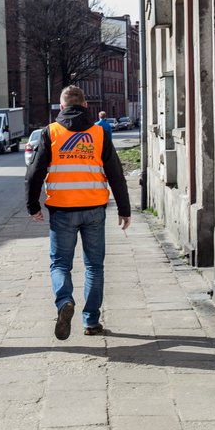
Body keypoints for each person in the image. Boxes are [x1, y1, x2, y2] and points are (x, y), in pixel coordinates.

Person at [26, 86, 131, 339]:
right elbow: (116, 173)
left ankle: (64, 302)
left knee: (60, 263)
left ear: (61, 107)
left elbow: (34, 173)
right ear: (86, 106)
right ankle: (91, 322)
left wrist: (33, 206)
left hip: (62, 210)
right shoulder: (98, 133)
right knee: (94, 266)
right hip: (94, 209)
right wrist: (124, 209)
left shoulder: (50, 133)